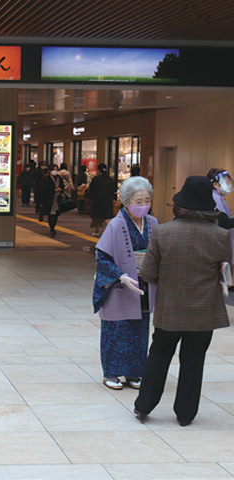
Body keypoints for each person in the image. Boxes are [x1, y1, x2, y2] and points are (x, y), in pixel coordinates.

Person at [135, 176, 232, 426]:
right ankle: (186, 414)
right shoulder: (220, 236)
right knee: (193, 360)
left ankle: (144, 406)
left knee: (159, 354)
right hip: (204, 311)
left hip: (170, 309)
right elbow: (225, 268)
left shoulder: (162, 232)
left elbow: (147, 273)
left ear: (179, 204)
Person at [93, 176, 157, 390]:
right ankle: (111, 373)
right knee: (117, 329)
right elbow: (102, 257)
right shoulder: (116, 225)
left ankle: (134, 372)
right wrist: (120, 276)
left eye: (147, 200)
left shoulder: (153, 224)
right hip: (120, 285)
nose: (143, 205)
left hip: (143, 285)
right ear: (126, 201)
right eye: (138, 201)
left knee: (139, 330)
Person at [207, 168, 234, 266]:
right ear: (215, 184)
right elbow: (224, 222)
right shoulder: (215, 198)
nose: (229, 185)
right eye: (226, 182)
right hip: (218, 244)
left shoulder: (218, 197)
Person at [89, 163, 116, 236]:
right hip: (107, 200)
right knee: (106, 217)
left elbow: (91, 189)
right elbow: (113, 189)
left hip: (97, 200)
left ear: (98, 170)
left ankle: (97, 231)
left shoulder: (95, 179)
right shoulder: (110, 179)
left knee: (96, 217)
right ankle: (107, 232)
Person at [41, 163, 64, 237]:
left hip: (57, 198)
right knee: (51, 214)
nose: (55, 171)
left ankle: (53, 226)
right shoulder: (47, 178)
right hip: (50, 198)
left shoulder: (59, 178)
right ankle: (52, 227)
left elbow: (62, 186)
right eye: (54, 170)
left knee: (56, 214)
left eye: (57, 170)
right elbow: (44, 189)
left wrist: (61, 189)